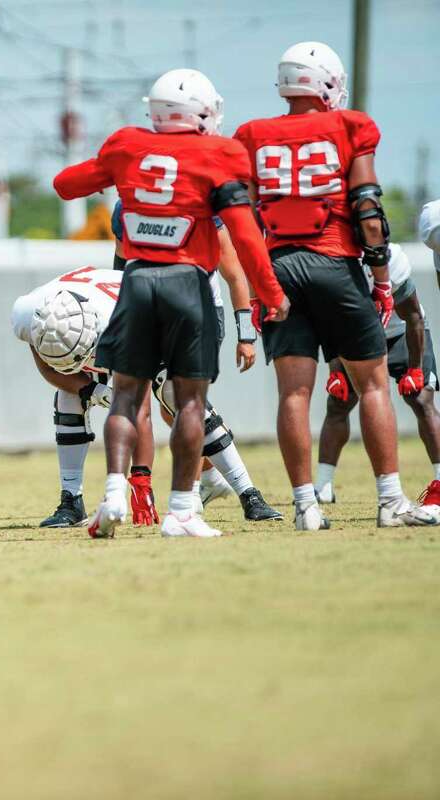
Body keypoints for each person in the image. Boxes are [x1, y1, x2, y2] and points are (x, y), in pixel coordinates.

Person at [53, 68, 287, 539]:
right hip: (187, 282)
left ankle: (114, 495)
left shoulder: (127, 146)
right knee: (189, 402)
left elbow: (64, 184)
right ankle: (182, 509)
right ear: (203, 113)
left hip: (136, 281)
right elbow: (244, 234)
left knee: (124, 395)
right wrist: (270, 294)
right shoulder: (218, 154)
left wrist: (119, 173)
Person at [234, 41, 436, 529]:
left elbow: (246, 223)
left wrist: (261, 288)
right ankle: (390, 501)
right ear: (327, 83)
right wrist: (382, 280)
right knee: (372, 385)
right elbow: (368, 210)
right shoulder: (349, 126)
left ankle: (305, 506)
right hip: (334, 264)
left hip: (279, 266)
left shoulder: (251, 135)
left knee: (293, 394)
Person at [12, 267, 280, 531]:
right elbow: (49, 366)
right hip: (105, 305)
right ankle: (71, 501)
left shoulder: (128, 323)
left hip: (167, 317)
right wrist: (91, 390)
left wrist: (142, 480)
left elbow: (140, 409)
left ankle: (249, 494)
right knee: (68, 397)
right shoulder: (32, 314)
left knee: (178, 396)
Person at [315, 244, 440, 505]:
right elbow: (330, 325)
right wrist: (335, 370)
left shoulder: (391, 258)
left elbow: (414, 317)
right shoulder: (329, 262)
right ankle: (323, 486)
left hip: (402, 333)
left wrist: (415, 370)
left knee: (421, 399)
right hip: (358, 339)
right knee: (338, 402)